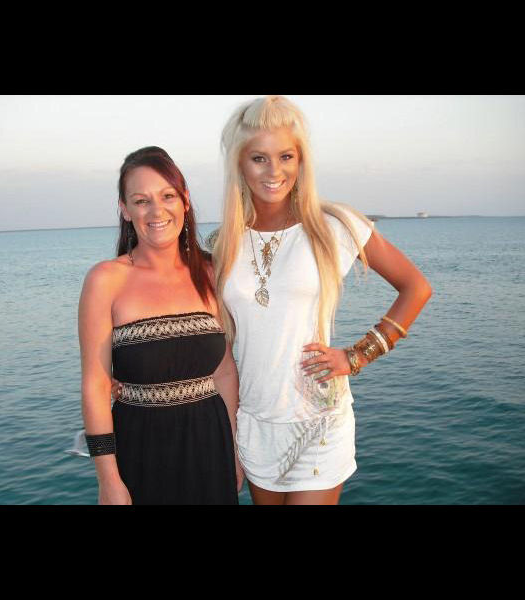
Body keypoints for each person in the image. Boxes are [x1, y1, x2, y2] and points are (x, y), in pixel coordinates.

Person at [208, 95, 433, 505]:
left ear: (301, 161)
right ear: (240, 163)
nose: (274, 171)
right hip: (255, 421)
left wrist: (358, 355)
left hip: (319, 419)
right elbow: (212, 338)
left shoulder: (335, 226)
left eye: (286, 156)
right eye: (259, 158)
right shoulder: (222, 244)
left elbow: (415, 287)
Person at [79, 146, 243, 505]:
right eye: (141, 201)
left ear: (185, 200)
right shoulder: (105, 280)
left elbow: (225, 372)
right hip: (140, 451)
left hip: (210, 448)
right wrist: (108, 480)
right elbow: (95, 385)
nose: (157, 211)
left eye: (168, 196)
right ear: (125, 209)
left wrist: (234, 451)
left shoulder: (212, 272)